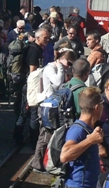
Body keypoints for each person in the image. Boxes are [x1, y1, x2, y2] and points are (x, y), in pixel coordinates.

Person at [31, 39, 78, 171]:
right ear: (62, 58)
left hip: (55, 106)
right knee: (45, 135)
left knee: (54, 135)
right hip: (47, 106)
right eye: (68, 63)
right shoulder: (51, 67)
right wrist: (62, 68)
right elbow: (57, 83)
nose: (69, 66)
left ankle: (48, 162)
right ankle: (37, 163)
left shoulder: (61, 67)